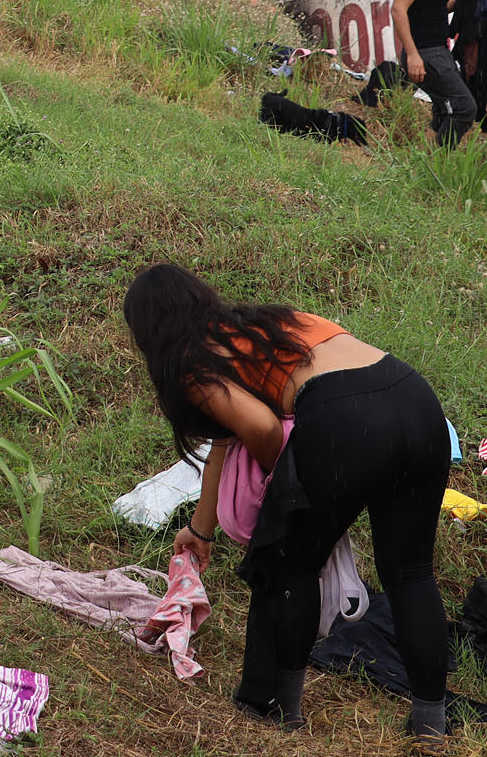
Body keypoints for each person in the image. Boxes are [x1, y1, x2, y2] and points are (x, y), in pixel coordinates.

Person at [124, 265, 451, 748]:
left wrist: (283, 488)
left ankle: (280, 708)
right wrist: (201, 527)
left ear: (147, 330)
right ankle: (430, 722)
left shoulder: (194, 364)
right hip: (416, 401)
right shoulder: (265, 325)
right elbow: (224, 439)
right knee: (411, 572)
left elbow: (260, 429)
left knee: (288, 565)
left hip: (344, 416)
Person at [390, 0, 476, 147]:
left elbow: (432, 9)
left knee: (444, 111)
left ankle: (425, 166)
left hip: (438, 51)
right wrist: (413, 54)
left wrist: (459, 1)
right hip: (425, 54)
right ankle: (441, 162)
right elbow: (399, 10)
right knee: (465, 109)